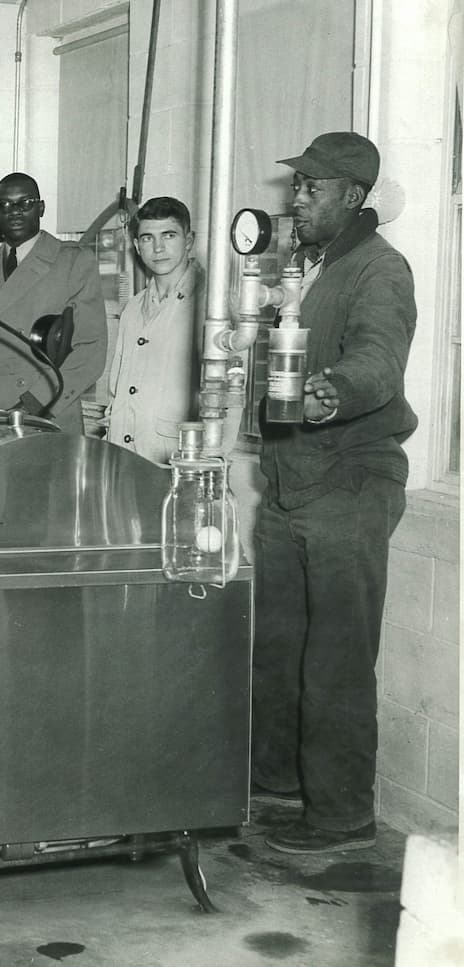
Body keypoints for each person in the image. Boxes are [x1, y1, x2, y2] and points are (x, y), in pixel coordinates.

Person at [251, 132, 417, 854]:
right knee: (277, 646)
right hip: (290, 478)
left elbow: (379, 360)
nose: (296, 198)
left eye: (311, 186)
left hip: (349, 478)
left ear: (352, 196)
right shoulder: (304, 266)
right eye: (297, 184)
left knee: (337, 658)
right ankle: (282, 784)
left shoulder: (380, 269)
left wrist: (333, 392)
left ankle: (344, 812)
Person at [0, 172, 107, 431]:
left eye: (25, 203)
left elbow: (90, 350)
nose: (14, 211)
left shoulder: (73, 262)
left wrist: (32, 405)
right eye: (5, 205)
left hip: (47, 410)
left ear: (41, 208)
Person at [105, 196, 206, 465]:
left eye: (169, 235)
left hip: (178, 462)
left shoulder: (210, 306)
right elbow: (119, 392)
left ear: (188, 240)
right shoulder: (133, 308)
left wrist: (205, 466)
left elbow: (228, 401)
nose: (158, 248)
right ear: (137, 246)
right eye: (148, 238)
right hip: (125, 458)